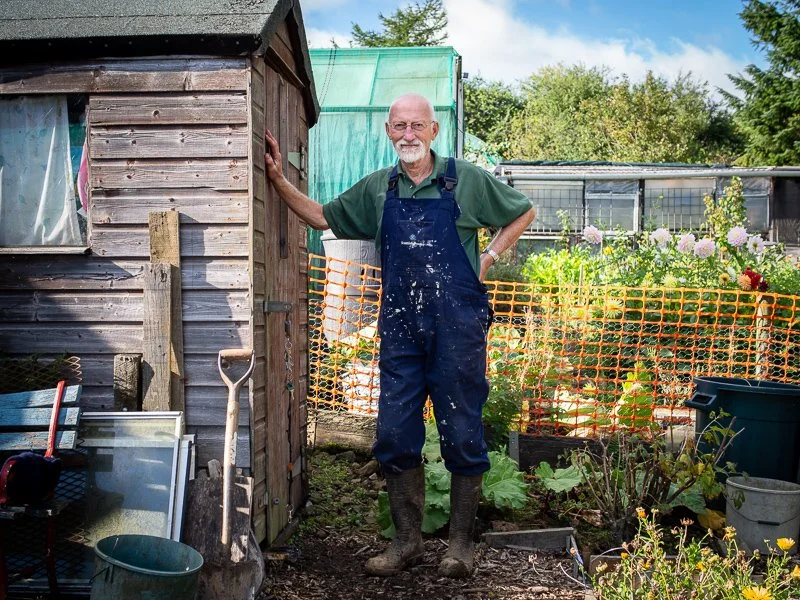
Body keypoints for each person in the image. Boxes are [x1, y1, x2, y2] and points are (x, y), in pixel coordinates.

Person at [264, 93, 534, 579]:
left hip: (457, 330)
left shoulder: (464, 181)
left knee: (463, 432)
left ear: (433, 131)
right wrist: (280, 180)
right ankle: (407, 543)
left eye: (417, 126)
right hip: (401, 331)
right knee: (393, 432)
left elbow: (523, 211)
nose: (408, 135)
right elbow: (324, 216)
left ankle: (459, 548)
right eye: (399, 126)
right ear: (389, 132)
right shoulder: (378, 189)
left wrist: (488, 257)